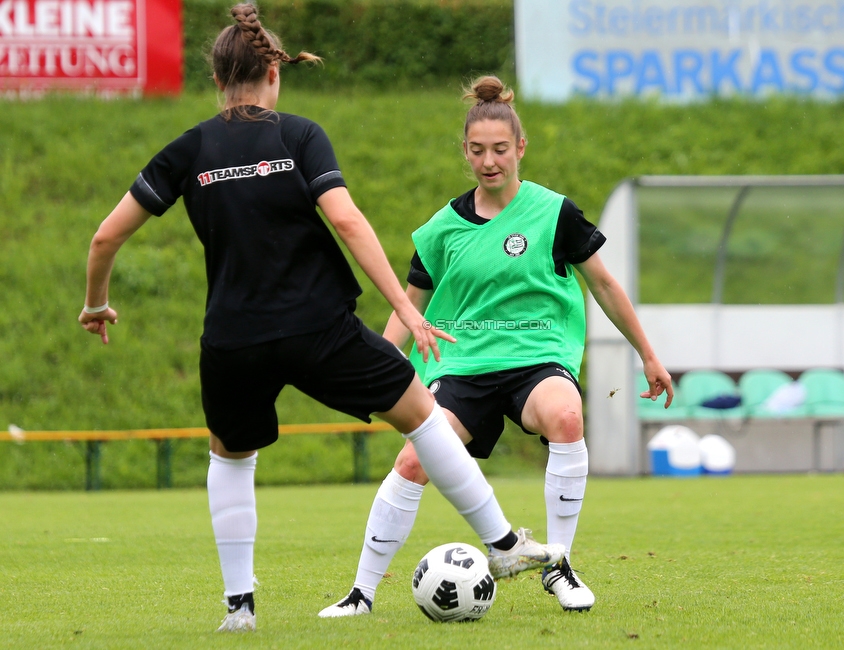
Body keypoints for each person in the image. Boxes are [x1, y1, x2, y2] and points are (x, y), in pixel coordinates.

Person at [78, 12, 563, 633]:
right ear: (274, 73)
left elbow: (103, 238)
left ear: (217, 78)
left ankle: (239, 610)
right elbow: (349, 222)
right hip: (318, 330)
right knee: (420, 414)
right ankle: (501, 544)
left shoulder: (187, 150)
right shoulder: (300, 136)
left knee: (230, 459)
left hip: (233, 339)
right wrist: (408, 309)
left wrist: (96, 303)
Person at [321, 76, 673, 617]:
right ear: (466, 151)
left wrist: (647, 354)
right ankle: (361, 594)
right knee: (414, 461)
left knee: (566, 416)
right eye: (479, 150)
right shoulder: (442, 229)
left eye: (501, 150)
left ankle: (559, 566)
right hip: (460, 366)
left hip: (536, 358)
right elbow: (406, 308)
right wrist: (376, 372)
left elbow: (603, 284)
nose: (490, 161)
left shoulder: (554, 213)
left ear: (520, 149)